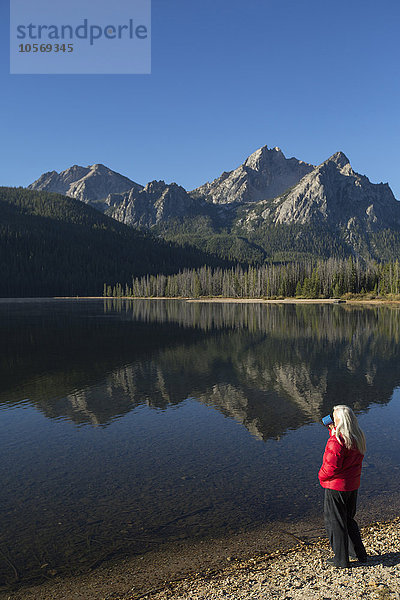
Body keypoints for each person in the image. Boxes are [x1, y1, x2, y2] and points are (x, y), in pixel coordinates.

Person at [318, 404, 368, 568]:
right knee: (348, 519)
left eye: (334, 416)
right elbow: (343, 450)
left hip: (336, 488)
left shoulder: (337, 440)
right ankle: (360, 554)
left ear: (339, 420)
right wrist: (333, 430)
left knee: (335, 523)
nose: (331, 418)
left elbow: (330, 467)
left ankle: (341, 560)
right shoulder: (357, 436)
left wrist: (321, 476)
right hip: (352, 486)